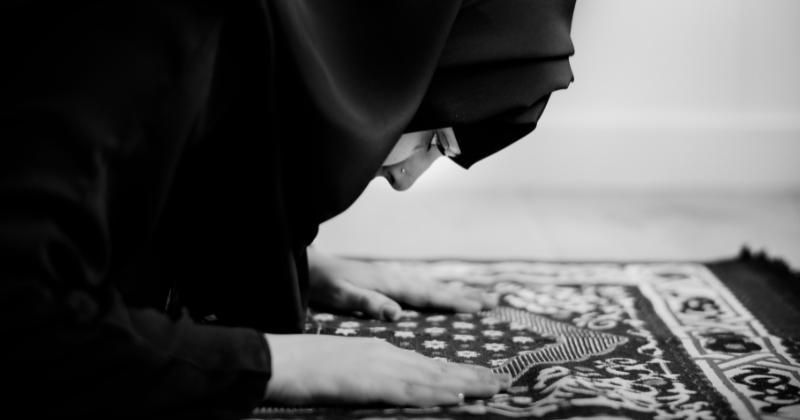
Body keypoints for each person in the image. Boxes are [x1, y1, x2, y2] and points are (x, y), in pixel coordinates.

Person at [0, 1, 575, 419]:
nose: (405, 178)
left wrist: (260, 250)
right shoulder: (163, 22)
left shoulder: (239, 34)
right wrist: (280, 364)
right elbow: (22, 313)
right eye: (436, 139)